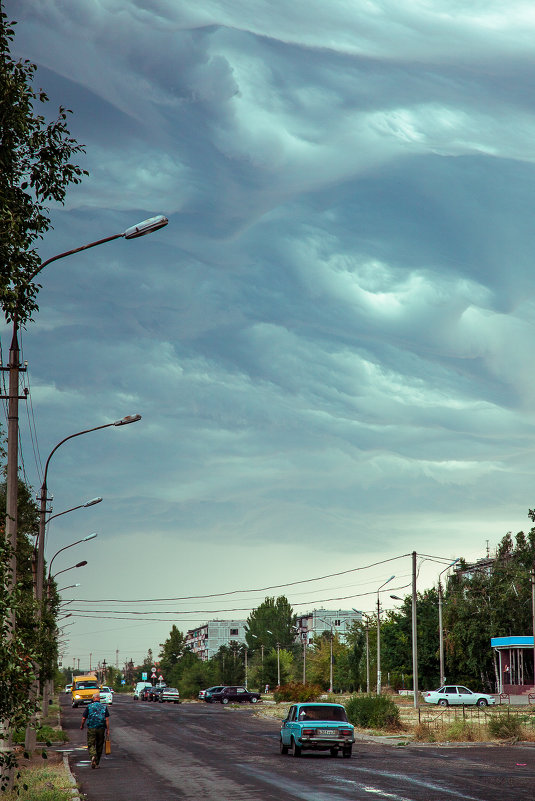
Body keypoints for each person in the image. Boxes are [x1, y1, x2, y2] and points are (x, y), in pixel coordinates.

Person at [80, 692, 110, 768]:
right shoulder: (104, 707)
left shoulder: (89, 706)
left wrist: (82, 726)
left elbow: (84, 718)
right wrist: (108, 730)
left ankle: (93, 756)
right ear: (99, 699)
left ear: (93, 699)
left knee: (91, 744)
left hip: (91, 728)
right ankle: (96, 763)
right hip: (101, 728)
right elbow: (107, 719)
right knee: (99, 745)